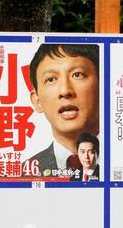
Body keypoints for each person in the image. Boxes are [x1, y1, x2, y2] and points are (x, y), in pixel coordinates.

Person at [25, 42, 100, 180]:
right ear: (37, 101)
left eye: (77, 74)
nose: (65, 91)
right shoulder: (21, 174)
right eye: (51, 79)